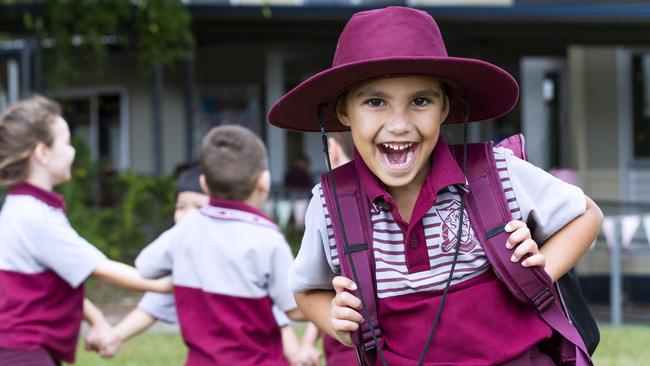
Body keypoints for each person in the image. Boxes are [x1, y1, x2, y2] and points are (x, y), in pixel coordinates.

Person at [267, 6, 603, 365]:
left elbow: (587, 215)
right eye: (375, 102)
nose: (398, 124)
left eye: (420, 101)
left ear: (446, 108)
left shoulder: (496, 174)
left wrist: (540, 268)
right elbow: (306, 289)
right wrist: (336, 322)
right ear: (344, 113)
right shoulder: (331, 205)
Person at [0, 95, 171, 366]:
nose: (73, 151)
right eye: (66, 143)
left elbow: (57, 280)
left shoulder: (21, 206)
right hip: (25, 352)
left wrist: (98, 320)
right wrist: (168, 284)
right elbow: (99, 268)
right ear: (43, 153)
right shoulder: (36, 217)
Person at [90, 164, 317, 366]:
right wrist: (115, 335)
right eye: (181, 207)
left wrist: (297, 353)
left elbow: (278, 318)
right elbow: (151, 307)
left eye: (197, 207)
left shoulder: (243, 255)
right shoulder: (186, 252)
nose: (187, 215)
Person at [134, 125, 307, 365]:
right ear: (264, 182)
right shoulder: (268, 238)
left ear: (204, 184)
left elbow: (145, 267)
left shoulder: (186, 227)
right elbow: (295, 309)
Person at [299, 132, 358, 366]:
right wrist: (307, 342)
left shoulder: (326, 205)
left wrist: (306, 343)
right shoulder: (326, 201)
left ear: (332, 148)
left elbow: (315, 290)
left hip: (347, 350)